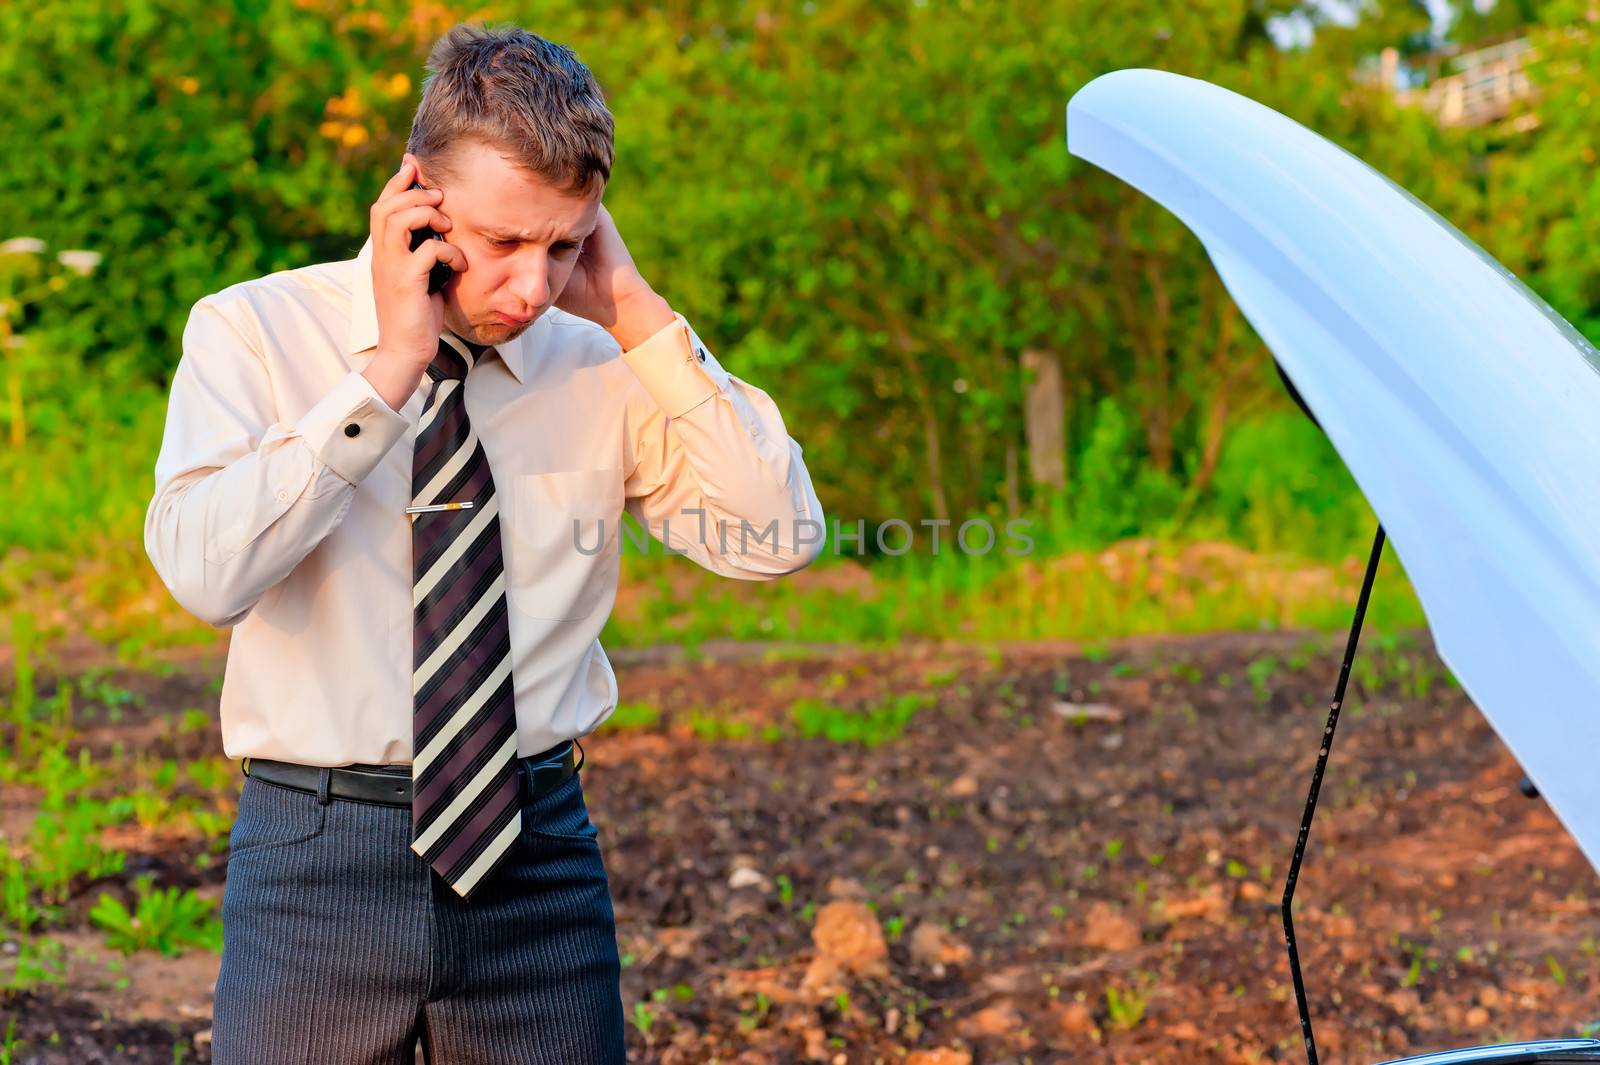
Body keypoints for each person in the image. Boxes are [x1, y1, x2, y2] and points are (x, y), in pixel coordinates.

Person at [142, 21, 825, 1065]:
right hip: (317, 859)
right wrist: (384, 378)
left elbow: (774, 539)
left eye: (564, 245)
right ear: (416, 198)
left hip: (536, 858)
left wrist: (638, 316)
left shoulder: (599, 359)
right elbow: (203, 574)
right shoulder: (253, 331)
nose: (531, 288)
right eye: (503, 242)